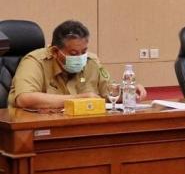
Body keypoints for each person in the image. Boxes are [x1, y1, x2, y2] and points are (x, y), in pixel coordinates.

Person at [9, 20, 147, 109]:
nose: (80, 57)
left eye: (84, 51)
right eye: (74, 53)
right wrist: (78, 99)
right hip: (41, 128)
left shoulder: (91, 61)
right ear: (56, 51)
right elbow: (24, 99)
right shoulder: (35, 61)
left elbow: (109, 93)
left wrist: (128, 91)